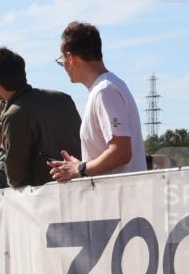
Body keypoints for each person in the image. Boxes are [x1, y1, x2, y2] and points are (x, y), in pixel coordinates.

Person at [49, 21, 147, 181]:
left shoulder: (104, 91)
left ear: (70, 57)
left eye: (62, 61)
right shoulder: (108, 87)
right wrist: (82, 165)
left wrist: (80, 169)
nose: (64, 67)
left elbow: (121, 152)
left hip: (120, 201)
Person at [0, 47, 82, 187]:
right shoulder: (63, 99)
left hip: (47, 200)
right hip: (84, 190)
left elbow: (16, 177)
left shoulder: (14, 114)